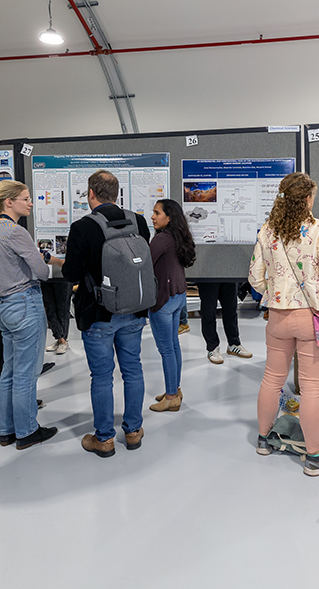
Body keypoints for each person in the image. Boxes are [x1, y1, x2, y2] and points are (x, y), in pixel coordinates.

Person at [249, 172, 319, 476]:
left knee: (272, 380)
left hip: (277, 316)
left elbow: (254, 276)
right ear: (306, 199)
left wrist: (274, 293)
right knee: (312, 388)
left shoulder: (267, 231)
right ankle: (315, 456)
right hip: (311, 317)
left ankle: (264, 440)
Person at [62, 170, 150, 458]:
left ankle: (104, 439)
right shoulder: (137, 221)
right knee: (133, 369)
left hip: (98, 312)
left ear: (90, 194)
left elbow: (71, 273)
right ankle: (134, 431)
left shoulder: (82, 227)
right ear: (117, 193)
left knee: (101, 376)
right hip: (135, 310)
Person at [0, 180, 62, 451]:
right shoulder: (15, 232)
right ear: (8, 202)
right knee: (26, 373)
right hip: (24, 304)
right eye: (25, 198)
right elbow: (40, 271)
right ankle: (27, 431)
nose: (30, 203)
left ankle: (7, 430)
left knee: (9, 372)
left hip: (2, 307)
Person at [148, 199, 196, 412]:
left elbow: (145, 264)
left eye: (157, 213)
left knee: (166, 349)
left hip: (164, 299)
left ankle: (170, 397)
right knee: (174, 345)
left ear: (169, 217)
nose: (152, 217)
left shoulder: (161, 240)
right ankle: (174, 389)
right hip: (178, 297)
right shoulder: (178, 237)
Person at [198, 281, 252, 364]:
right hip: (208, 275)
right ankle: (212, 347)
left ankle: (234, 344)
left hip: (228, 275)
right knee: (209, 312)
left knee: (231, 311)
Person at [42, 281, 73, 355]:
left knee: (62, 308)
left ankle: (62, 339)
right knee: (49, 307)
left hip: (63, 276)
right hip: (46, 276)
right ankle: (59, 337)